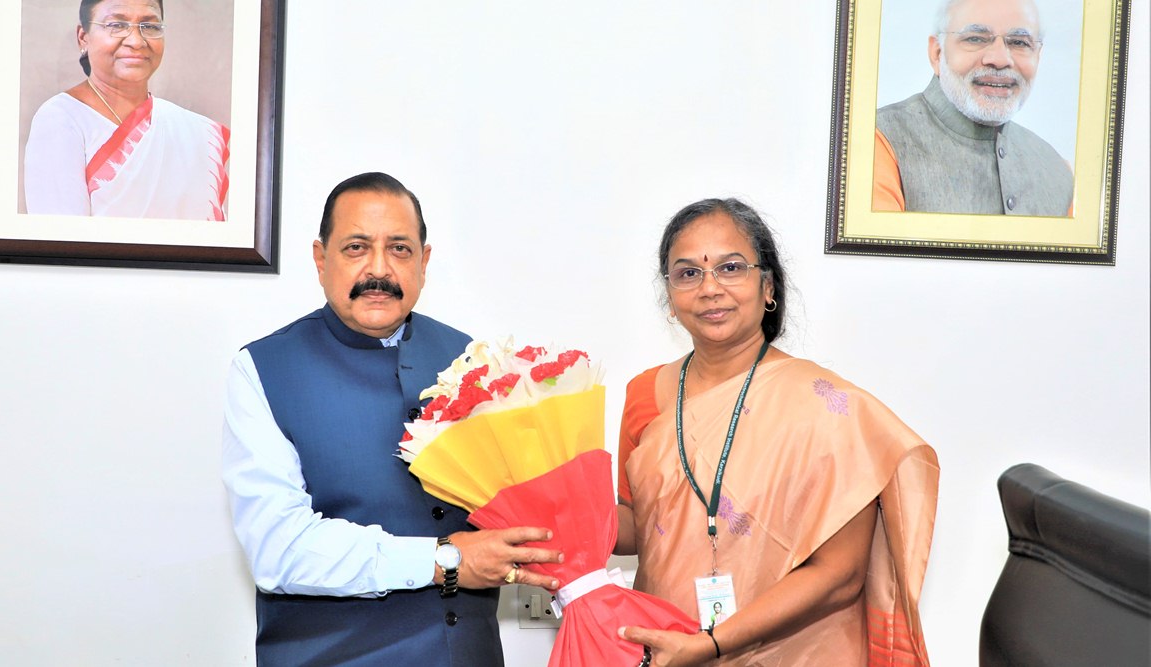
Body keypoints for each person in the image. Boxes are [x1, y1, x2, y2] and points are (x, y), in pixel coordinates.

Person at [221, 172, 561, 666]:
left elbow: (519, 506)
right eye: (356, 247)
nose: (378, 269)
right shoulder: (263, 371)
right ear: (321, 259)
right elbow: (280, 550)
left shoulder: (474, 361)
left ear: (424, 261)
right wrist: (448, 560)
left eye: (400, 249)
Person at [614, 198, 939, 666]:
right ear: (669, 297)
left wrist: (712, 644)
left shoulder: (829, 408)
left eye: (730, 268)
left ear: (767, 287)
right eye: (687, 274)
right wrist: (559, 521)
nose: (709, 289)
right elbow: (640, 526)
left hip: (796, 651)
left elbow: (840, 574)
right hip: (666, 643)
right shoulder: (644, 393)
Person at [24, 0, 230, 219]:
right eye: (116, 25)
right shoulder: (61, 118)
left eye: (150, 26)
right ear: (83, 37)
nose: (136, 41)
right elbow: (61, 242)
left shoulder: (196, 133)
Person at [873, 0, 1073, 216]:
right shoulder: (878, 142)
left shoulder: (1058, 172)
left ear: (1038, 57)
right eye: (975, 39)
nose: (999, 59)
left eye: (1019, 42)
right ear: (937, 53)